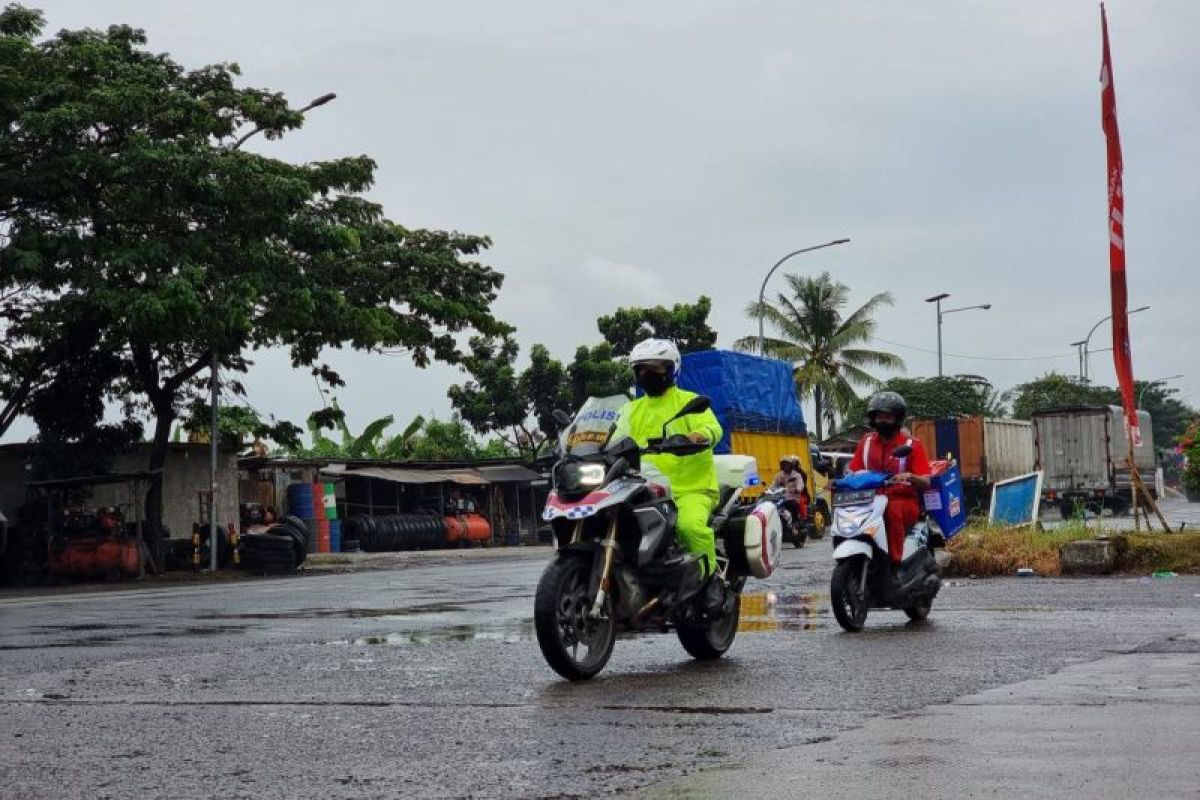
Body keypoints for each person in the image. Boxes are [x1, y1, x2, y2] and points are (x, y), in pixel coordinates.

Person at [614, 338, 723, 582]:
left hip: (690, 490)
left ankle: (709, 583)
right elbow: (614, 437)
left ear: (672, 369)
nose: (646, 373)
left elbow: (712, 428)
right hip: (643, 489)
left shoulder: (689, 402)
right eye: (641, 369)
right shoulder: (630, 410)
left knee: (690, 528)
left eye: (655, 367)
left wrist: (699, 436)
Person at [848, 391, 931, 565]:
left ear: (898, 418)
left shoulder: (911, 445)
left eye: (887, 416)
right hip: (869, 502)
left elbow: (925, 482)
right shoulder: (866, 443)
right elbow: (853, 472)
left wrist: (909, 476)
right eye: (878, 416)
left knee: (891, 509)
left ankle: (895, 562)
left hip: (902, 500)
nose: (882, 420)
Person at [771, 455, 809, 528]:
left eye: (787, 464)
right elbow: (773, 485)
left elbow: (801, 485)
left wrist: (797, 489)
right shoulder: (778, 475)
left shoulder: (797, 475)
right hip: (781, 498)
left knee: (793, 504)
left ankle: (795, 522)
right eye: (783, 464)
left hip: (793, 497)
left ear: (791, 465)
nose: (785, 466)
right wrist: (768, 490)